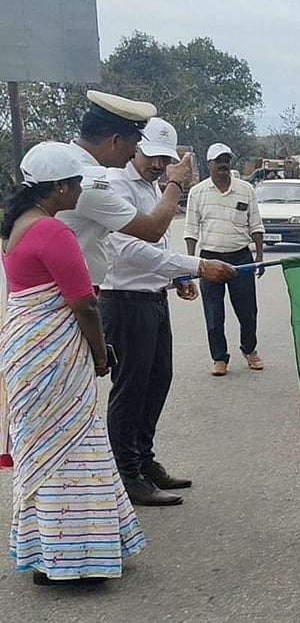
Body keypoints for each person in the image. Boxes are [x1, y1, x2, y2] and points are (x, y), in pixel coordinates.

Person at [1, 142, 145, 584]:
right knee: (76, 449)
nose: (81, 191)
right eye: (77, 183)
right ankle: (80, 558)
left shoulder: (17, 228)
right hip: (54, 354)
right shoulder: (54, 232)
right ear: (58, 187)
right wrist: (102, 355)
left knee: (41, 450)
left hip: (24, 348)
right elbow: (83, 304)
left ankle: (47, 553)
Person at [101, 124, 238, 505]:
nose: (159, 165)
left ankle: (144, 461)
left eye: (166, 159)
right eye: (153, 156)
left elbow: (157, 247)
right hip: (123, 300)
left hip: (152, 299)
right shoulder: (116, 186)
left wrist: (177, 276)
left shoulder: (149, 188)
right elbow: (129, 251)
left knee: (156, 383)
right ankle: (126, 473)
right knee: (129, 390)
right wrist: (195, 266)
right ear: (133, 149)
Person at [59, 90, 191, 287]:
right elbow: (151, 231)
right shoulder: (90, 183)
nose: (157, 164)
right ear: (115, 141)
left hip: (85, 293)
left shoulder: (72, 166)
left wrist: (173, 277)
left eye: (164, 159)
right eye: (135, 146)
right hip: (93, 296)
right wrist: (176, 183)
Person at [184, 142, 266, 377]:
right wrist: (192, 265)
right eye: (218, 161)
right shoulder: (198, 192)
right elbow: (191, 230)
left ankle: (250, 350)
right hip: (209, 260)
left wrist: (259, 256)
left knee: (248, 311)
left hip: (241, 258)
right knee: (214, 314)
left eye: (226, 160)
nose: (223, 165)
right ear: (209, 164)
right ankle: (219, 358)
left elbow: (256, 224)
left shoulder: (245, 189)